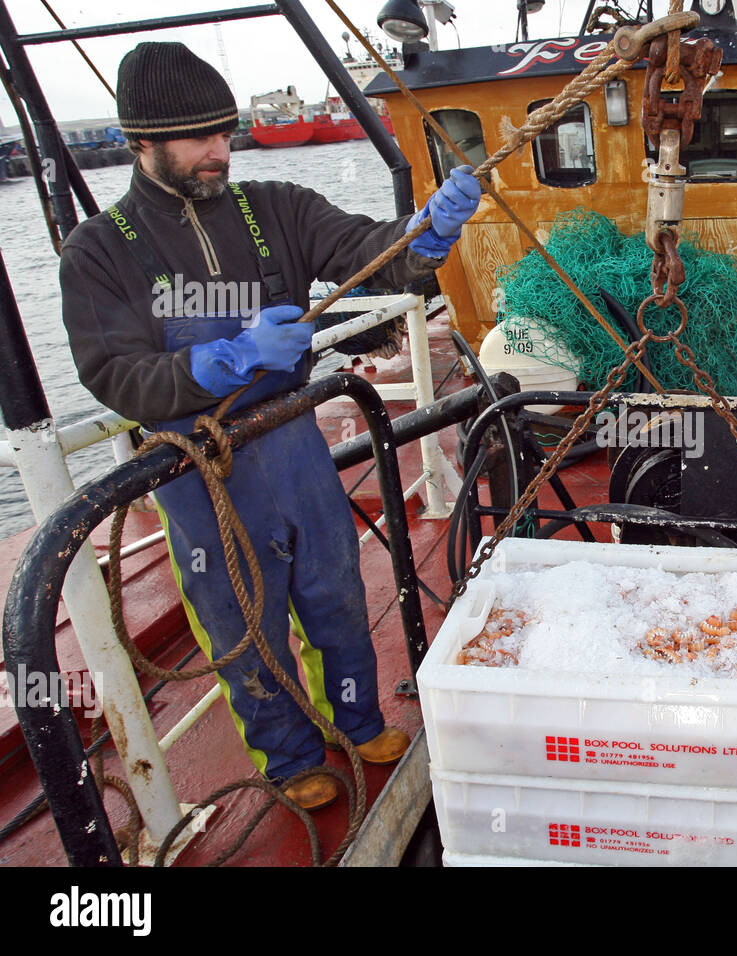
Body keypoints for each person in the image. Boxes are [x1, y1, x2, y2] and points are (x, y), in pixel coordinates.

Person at [59, 42, 481, 811]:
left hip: (292, 441)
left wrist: (422, 235)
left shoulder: (276, 207)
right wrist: (223, 362)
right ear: (140, 143)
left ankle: (354, 720)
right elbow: (113, 373)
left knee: (336, 593)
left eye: (224, 132)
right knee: (240, 626)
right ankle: (288, 759)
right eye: (196, 139)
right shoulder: (97, 251)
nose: (219, 151)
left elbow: (366, 252)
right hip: (196, 471)